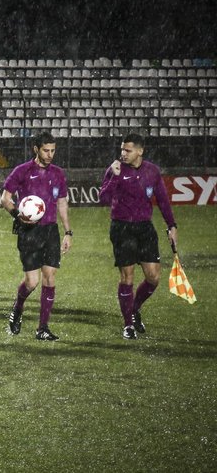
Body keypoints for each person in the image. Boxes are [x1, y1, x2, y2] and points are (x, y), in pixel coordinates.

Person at [99, 133, 178, 340]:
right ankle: (127, 325)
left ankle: (133, 309)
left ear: (140, 151)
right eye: (122, 149)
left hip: (145, 228)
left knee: (153, 277)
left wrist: (172, 225)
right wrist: (114, 177)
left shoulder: (152, 171)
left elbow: (162, 199)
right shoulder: (115, 169)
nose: (123, 154)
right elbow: (103, 198)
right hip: (122, 228)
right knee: (127, 277)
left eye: (128, 150)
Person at [1, 132, 72, 341]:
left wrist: (68, 231)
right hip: (29, 231)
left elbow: (61, 202)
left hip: (51, 231)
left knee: (50, 277)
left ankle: (42, 328)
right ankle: (18, 307)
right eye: (45, 150)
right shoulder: (22, 171)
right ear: (36, 149)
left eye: (52, 151)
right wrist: (18, 216)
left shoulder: (58, 173)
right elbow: (5, 199)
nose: (50, 155)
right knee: (32, 282)